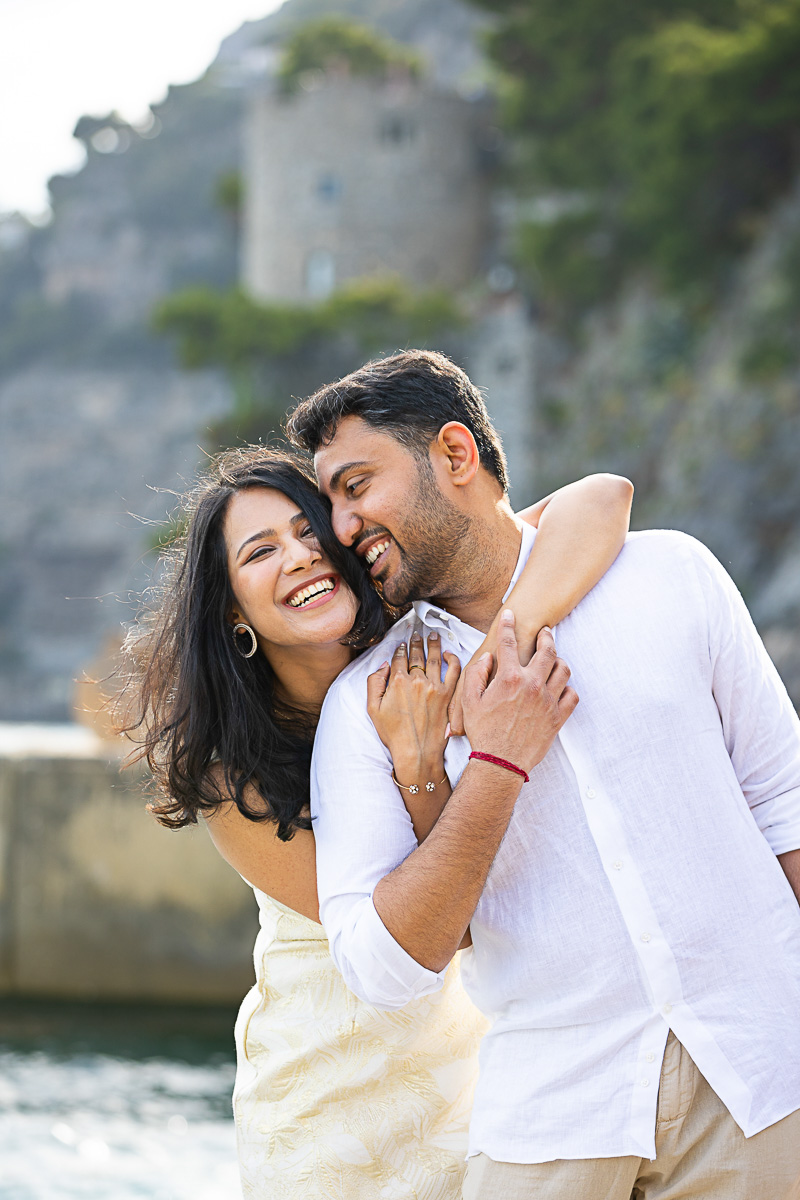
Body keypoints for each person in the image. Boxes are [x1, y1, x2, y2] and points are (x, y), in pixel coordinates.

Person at [286, 349, 800, 1200]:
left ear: (455, 455)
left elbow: (785, 806)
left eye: (355, 486)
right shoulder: (371, 703)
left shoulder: (671, 575)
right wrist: (487, 762)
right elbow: (379, 969)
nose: (342, 529)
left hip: (764, 1073)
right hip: (557, 1110)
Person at [119, 444, 633, 1200]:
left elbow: (599, 496)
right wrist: (417, 763)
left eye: (308, 530)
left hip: (486, 1073)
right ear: (232, 612)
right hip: (335, 1106)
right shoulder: (234, 775)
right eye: (263, 551)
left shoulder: (420, 629)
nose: (299, 556)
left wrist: (497, 649)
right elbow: (431, 928)